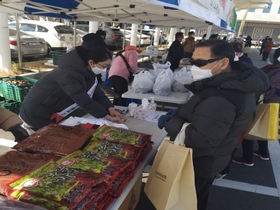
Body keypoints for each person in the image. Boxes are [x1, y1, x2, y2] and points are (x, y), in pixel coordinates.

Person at [159, 39, 269, 210]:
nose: (194, 67)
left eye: (200, 63)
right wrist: (186, 112)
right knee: (196, 198)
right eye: (193, 61)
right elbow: (209, 117)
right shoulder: (235, 82)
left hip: (201, 160)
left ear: (224, 63)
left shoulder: (222, 96)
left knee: (186, 201)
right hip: (215, 155)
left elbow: (202, 138)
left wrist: (169, 121)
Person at [19, 46, 124, 133]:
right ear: (91, 62)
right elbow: (82, 98)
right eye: (103, 66)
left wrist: (110, 108)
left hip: (51, 112)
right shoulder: (68, 74)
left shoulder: (86, 71)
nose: (104, 69)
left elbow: (95, 91)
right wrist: (105, 116)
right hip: (35, 115)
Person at [233, 62, 280, 166]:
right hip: (271, 105)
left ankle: (247, 158)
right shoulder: (274, 68)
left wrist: (261, 95)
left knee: (250, 128)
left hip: (264, 102)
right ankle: (263, 152)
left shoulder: (276, 70)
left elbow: (275, 91)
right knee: (262, 126)